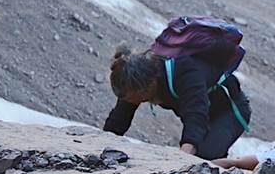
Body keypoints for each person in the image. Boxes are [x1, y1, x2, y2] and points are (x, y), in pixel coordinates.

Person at [103, 44, 251, 160]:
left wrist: (182, 160)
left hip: (229, 111)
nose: (130, 102)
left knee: (204, 158)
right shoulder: (136, 82)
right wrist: (102, 146)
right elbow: (120, 118)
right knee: (202, 155)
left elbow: (195, 116)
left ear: (148, 86)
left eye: (132, 98)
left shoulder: (186, 73)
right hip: (203, 111)